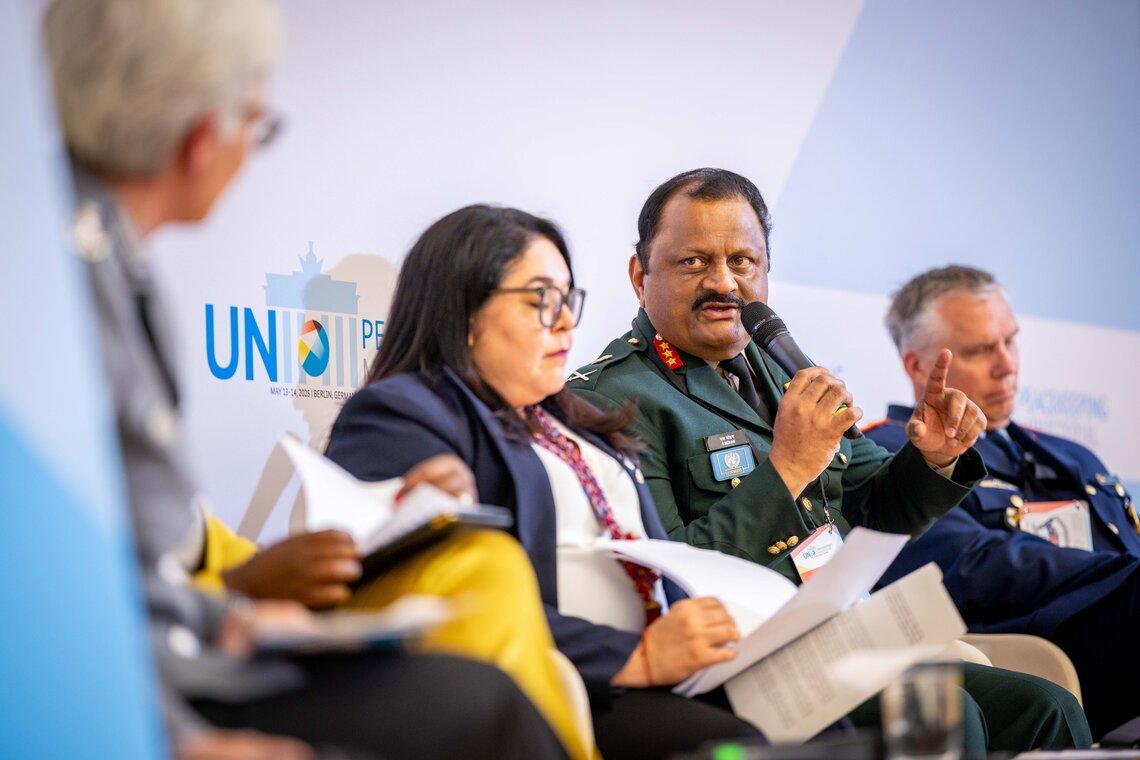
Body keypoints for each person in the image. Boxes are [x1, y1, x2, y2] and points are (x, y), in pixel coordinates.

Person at [45, 0, 575, 757]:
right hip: (134, 689)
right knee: (482, 702)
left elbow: (149, 558)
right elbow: (49, 594)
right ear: (204, 138)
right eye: (257, 126)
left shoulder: (106, 262)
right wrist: (187, 733)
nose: (560, 325)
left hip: (183, 650)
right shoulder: (62, 281)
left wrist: (231, 612)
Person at [567, 168, 1091, 753]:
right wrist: (786, 471)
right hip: (732, 666)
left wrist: (932, 460)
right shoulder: (608, 400)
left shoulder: (778, 363)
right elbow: (665, 586)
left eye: (743, 261)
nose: (724, 282)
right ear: (640, 275)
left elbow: (877, 504)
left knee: (1047, 708)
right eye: (694, 262)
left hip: (835, 636)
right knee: (943, 715)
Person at [326, 204, 771, 760]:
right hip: (567, 688)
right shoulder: (403, 414)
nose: (565, 322)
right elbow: (437, 601)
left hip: (683, 676)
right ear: (463, 307)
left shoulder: (578, 419)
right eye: (541, 300)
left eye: (568, 300)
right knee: (738, 748)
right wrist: (636, 654)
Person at [866, 264, 1140, 738]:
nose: (1007, 364)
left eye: (1009, 341)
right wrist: (1121, 576)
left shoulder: (1071, 455)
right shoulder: (894, 451)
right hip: (1021, 643)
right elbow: (971, 568)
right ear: (916, 365)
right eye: (978, 350)